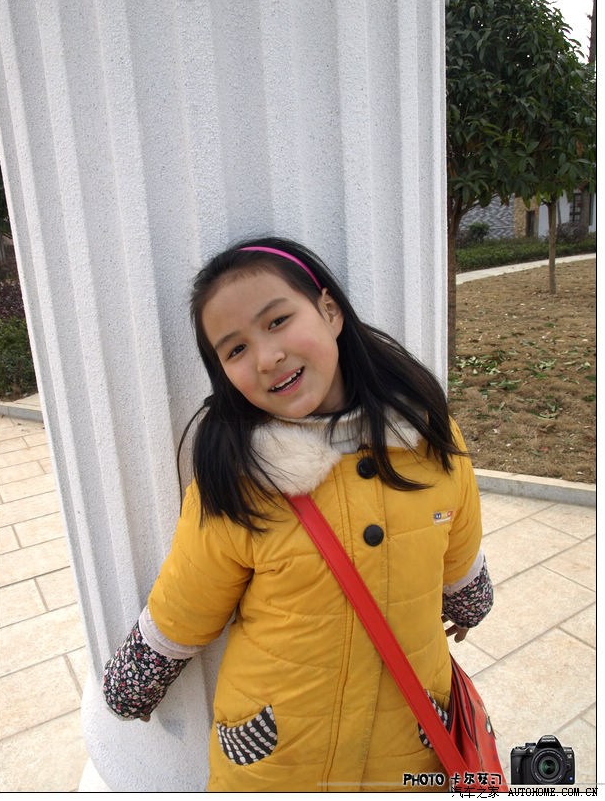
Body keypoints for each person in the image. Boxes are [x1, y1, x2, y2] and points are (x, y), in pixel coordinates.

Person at [103, 237, 493, 792]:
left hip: (408, 746)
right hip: (278, 759)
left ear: (329, 311)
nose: (267, 358)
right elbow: (189, 596)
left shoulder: (428, 439)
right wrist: (135, 680)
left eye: (278, 321)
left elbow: (459, 540)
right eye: (235, 350)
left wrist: (470, 599)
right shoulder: (239, 478)